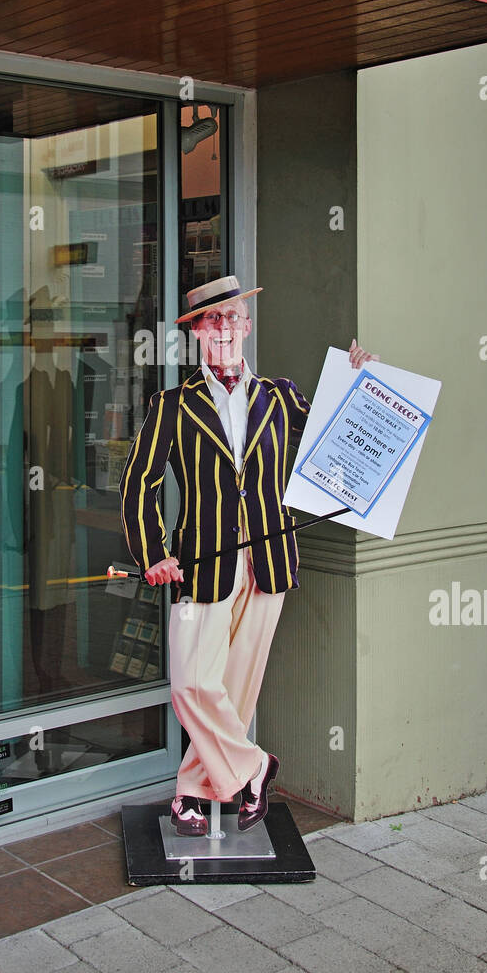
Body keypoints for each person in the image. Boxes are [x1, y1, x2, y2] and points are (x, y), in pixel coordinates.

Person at [119, 275, 377, 836]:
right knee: (191, 684)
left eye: (233, 318)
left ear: (247, 326)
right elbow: (138, 484)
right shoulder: (172, 405)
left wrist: (357, 384)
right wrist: (153, 552)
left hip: (269, 561)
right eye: (213, 321)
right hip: (204, 564)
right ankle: (255, 766)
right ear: (196, 333)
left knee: (233, 691)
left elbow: (336, 443)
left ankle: (190, 793)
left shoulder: (280, 397)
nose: (225, 329)